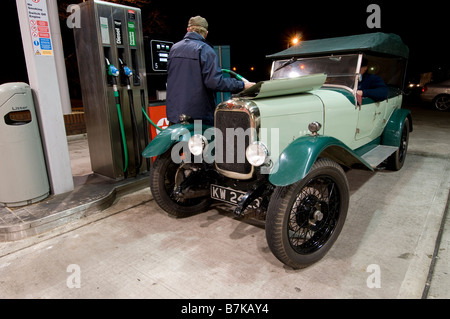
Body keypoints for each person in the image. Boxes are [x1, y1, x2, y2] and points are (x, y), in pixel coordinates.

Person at [166, 16, 255, 126]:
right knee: (203, 143)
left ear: (188, 30)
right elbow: (215, 83)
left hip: (174, 116)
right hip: (198, 118)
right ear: (206, 33)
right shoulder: (205, 49)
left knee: (177, 143)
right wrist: (243, 85)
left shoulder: (174, 48)